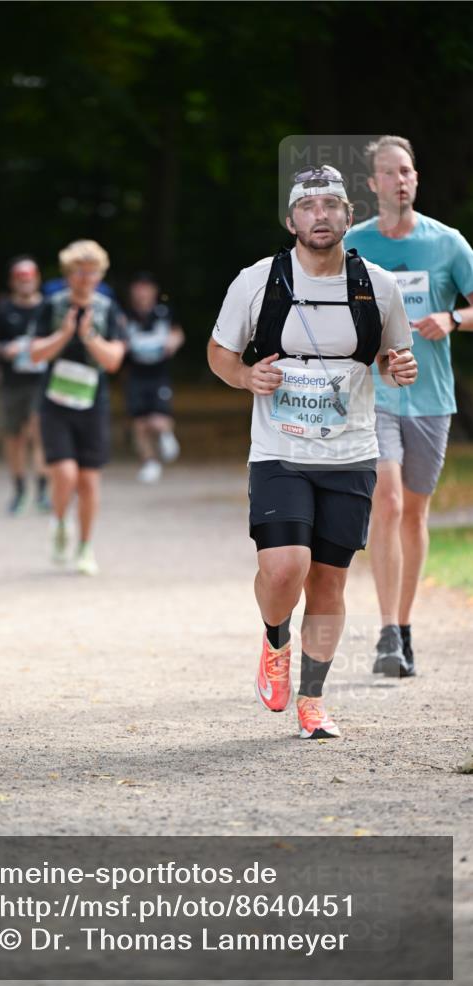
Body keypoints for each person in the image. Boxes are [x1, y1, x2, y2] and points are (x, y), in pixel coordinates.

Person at [208, 166, 417, 739]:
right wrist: (247, 377)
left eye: (332, 205)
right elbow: (220, 353)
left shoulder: (378, 284)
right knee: (284, 569)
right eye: (308, 206)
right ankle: (276, 639)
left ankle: (313, 700)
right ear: (291, 219)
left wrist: (400, 367)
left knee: (328, 583)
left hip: (350, 453)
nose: (320, 215)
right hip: (279, 448)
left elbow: (393, 358)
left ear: (349, 216)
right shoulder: (258, 281)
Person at [345, 136, 473, 678]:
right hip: (373, 395)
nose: (401, 180)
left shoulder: (448, 244)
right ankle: (387, 635)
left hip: (431, 399)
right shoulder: (352, 243)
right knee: (388, 502)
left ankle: (405, 623)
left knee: (415, 511)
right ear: (372, 185)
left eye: (408, 171)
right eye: (389, 173)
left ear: (415, 180)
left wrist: (453, 320)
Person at [31, 240, 127, 575]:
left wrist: (88, 337)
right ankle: (59, 523)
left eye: (93, 271)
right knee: (65, 473)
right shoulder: (52, 305)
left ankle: (85, 547)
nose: (86, 278)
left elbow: (114, 360)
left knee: (88, 480)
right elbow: (35, 353)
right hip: (55, 402)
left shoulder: (107, 309)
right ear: (68, 274)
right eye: (79, 271)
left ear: (101, 274)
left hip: (92, 402)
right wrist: (65, 333)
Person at [0, 257, 50, 514]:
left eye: (29, 278)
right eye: (20, 278)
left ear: (37, 279)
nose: (25, 283)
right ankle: (19, 489)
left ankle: (43, 491)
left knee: (39, 434)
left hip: (42, 383)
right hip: (12, 383)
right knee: (14, 438)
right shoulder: (3, 310)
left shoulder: (49, 308)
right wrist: (6, 350)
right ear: (13, 281)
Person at [124, 272, 185, 483]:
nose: (141, 292)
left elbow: (178, 333)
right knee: (140, 423)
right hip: (135, 374)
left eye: (145, 287)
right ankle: (149, 462)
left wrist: (173, 343)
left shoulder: (164, 312)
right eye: (138, 287)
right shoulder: (126, 316)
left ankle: (165, 436)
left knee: (158, 419)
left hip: (159, 373)